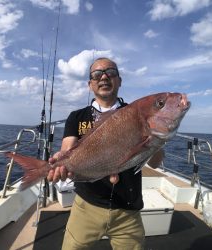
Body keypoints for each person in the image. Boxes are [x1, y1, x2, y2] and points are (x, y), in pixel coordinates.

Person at [48, 57, 162, 250]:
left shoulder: (135, 113)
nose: (104, 77)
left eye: (111, 72)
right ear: (90, 84)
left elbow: (156, 164)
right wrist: (61, 160)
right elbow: (68, 149)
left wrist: (156, 140)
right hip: (86, 205)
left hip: (127, 209)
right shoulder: (77, 117)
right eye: (96, 74)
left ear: (119, 80)